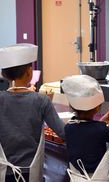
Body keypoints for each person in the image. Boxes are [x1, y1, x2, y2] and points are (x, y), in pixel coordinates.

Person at [0, 43, 65, 182]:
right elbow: (64, 132)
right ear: (29, 71)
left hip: (4, 172)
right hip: (31, 173)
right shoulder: (41, 100)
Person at [61, 74, 109, 179]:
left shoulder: (69, 127)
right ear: (98, 108)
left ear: (71, 106)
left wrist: (101, 122)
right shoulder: (101, 130)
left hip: (76, 178)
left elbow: (88, 131)